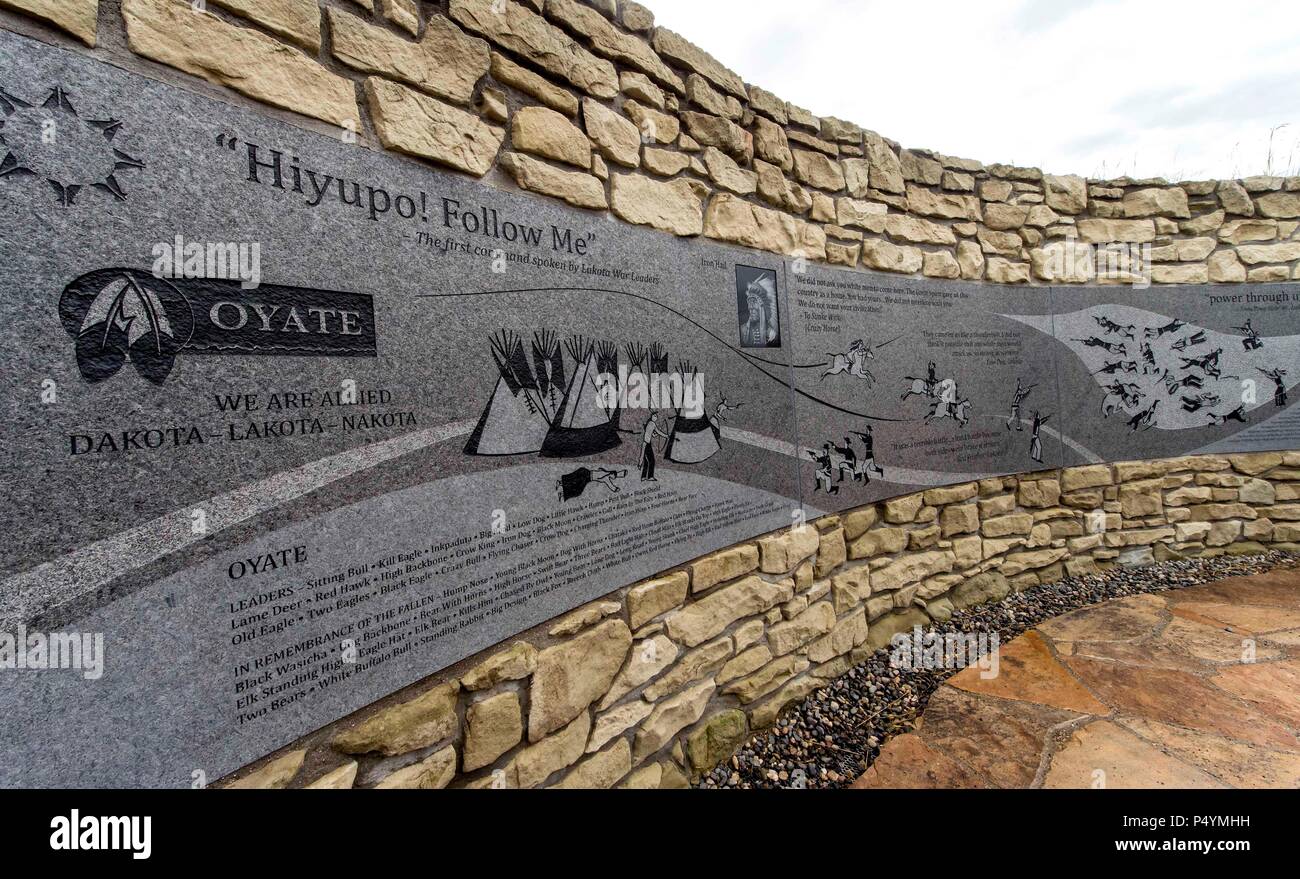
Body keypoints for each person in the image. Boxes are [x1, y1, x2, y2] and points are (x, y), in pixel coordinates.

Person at [640, 412, 668, 481]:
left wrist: (655, 434)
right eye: (655, 416)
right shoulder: (652, 423)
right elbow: (658, 432)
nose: (656, 417)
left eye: (656, 416)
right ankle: (650, 477)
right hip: (647, 444)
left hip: (645, 443)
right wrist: (666, 435)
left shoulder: (649, 424)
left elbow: (652, 434)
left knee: (646, 461)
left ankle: (643, 477)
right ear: (652, 416)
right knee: (652, 461)